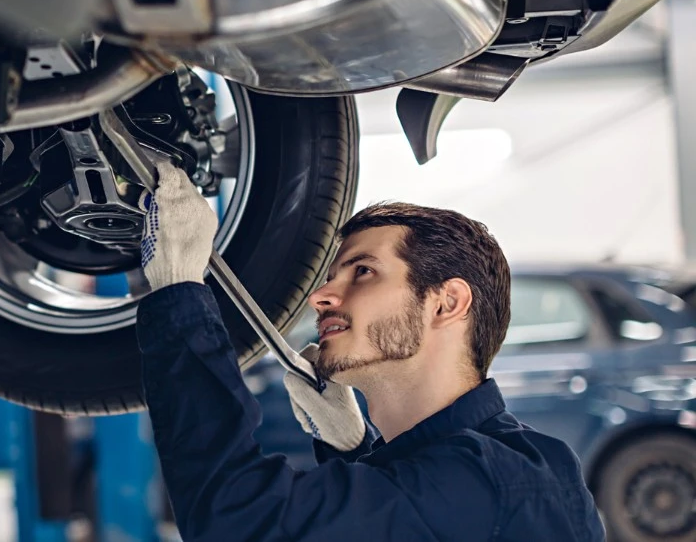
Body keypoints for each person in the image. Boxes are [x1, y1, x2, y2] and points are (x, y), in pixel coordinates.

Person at [136, 163, 605, 541]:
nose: (320, 296)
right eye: (333, 277)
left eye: (362, 272)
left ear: (446, 303)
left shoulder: (485, 479)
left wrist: (179, 290)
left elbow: (236, 520)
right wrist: (352, 451)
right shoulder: (519, 463)